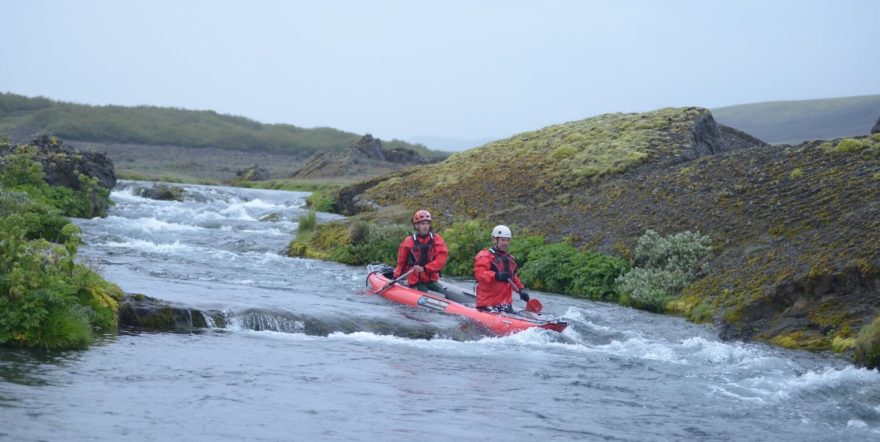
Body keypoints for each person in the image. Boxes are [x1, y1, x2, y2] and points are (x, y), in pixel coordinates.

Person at [473, 224, 530, 313]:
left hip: (505, 304)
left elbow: (513, 277)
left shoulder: (510, 259)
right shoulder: (485, 256)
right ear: (494, 240)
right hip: (488, 303)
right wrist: (496, 276)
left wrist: (521, 290)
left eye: (507, 240)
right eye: (503, 240)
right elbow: (479, 274)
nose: (505, 243)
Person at [393, 209, 449, 294]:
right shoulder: (408, 242)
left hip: (431, 280)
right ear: (416, 226)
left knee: (444, 294)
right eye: (422, 224)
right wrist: (395, 278)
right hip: (415, 281)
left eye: (427, 223)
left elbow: (441, 260)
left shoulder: (437, 239)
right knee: (425, 292)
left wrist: (424, 268)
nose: (425, 226)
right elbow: (401, 263)